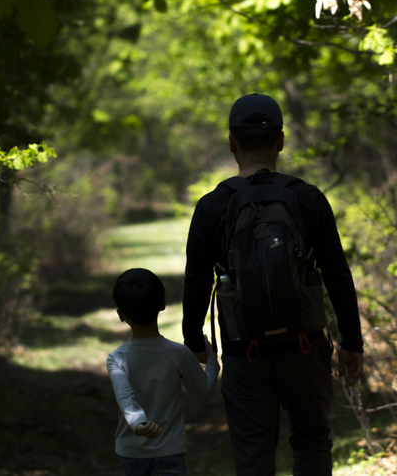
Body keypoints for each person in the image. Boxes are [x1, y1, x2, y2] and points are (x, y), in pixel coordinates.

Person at [182, 93, 364, 475]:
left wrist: (195, 342)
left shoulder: (211, 207)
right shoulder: (308, 199)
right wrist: (352, 343)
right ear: (281, 141)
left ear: (232, 142)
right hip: (305, 348)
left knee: (253, 459)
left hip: (242, 351)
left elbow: (197, 280)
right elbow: (337, 274)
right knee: (312, 445)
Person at [107, 268, 220, 476]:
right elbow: (205, 391)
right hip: (169, 452)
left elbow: (125, 398)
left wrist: (138, 424)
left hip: (132, 453)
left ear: (121, 315)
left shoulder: (117, 358)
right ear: (163, 304)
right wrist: (213, 361)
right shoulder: (178, 353)